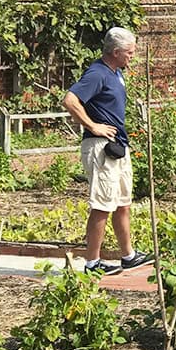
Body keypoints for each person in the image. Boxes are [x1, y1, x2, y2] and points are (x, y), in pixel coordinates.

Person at [63, 27, 152, 276]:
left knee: (123, 203)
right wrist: (92, 125)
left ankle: (128, 256)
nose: (132, 57)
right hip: (100, 148)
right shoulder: (97, 73)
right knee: (102, 205)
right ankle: (92, 263)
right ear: (115, 52)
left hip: (118, 147)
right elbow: (70, 100)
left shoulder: (116, 72)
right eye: (130, 53)